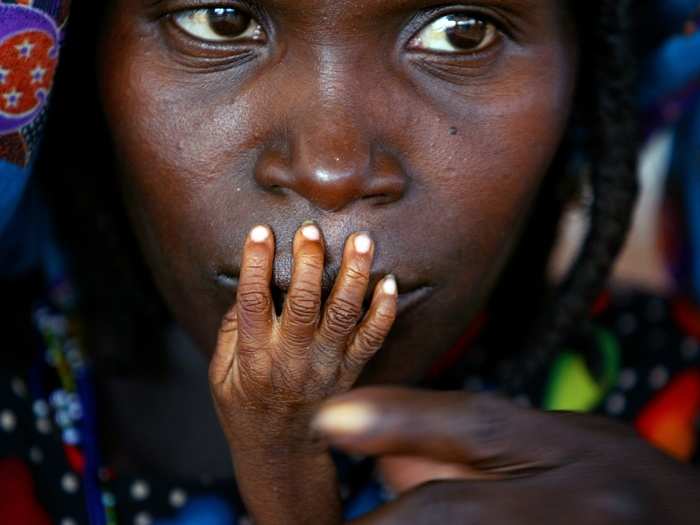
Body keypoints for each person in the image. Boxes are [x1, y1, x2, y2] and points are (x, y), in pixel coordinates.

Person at [1, 1, 699, 524]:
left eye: (461, 32)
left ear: (583, 82)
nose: (330, 169)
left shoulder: (674, 416)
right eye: (219, 20)